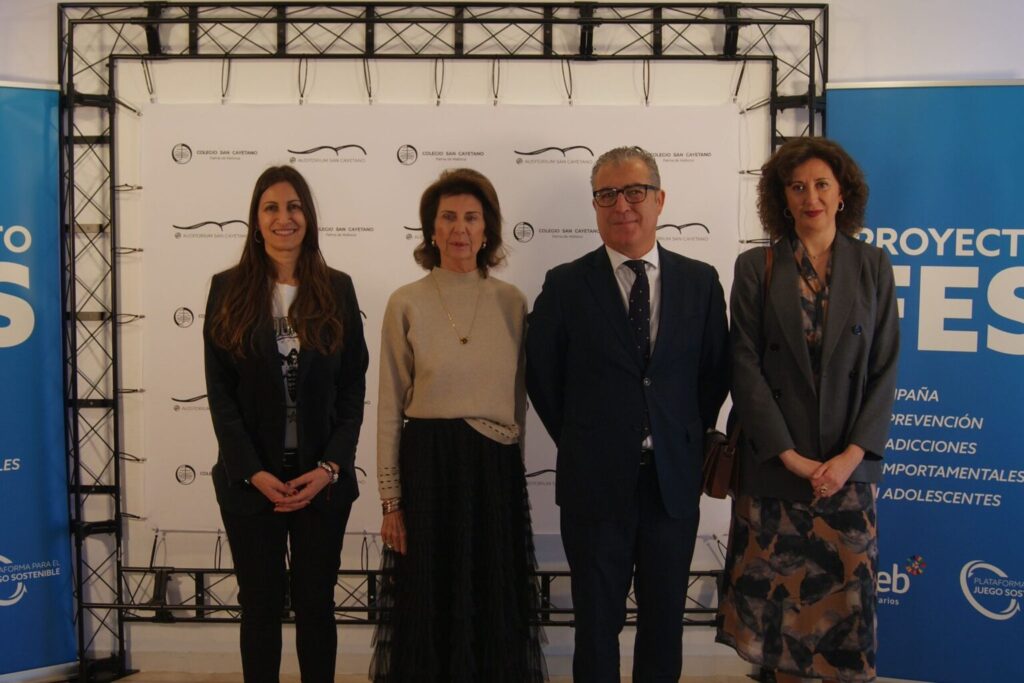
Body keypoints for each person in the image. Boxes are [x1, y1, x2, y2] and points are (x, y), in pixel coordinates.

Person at [526, 146, 730, 682]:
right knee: (596, 624)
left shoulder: (701, 282)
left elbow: (714, 374)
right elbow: (543, 377)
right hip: (594, 484)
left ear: (660, 200)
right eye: (607, 195)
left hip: (672, 485)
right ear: (595, 205)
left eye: (635, 192)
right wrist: (588, 437)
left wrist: (677, 434)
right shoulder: (565, 284)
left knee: (663, 623)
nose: (622, 205)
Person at [716, 137, 900, 683]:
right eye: (797, 187)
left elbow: (885, 366)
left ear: (843, 194)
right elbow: (744, 366)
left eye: (821, 185)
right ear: (782, 198)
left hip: (847, 473)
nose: (810, 197)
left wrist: (850, 457)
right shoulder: (757, 265)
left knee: (845, 620)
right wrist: (792, 457)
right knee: (779, 625)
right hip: (776, 470)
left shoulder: (872, 265)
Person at [369, 168, 546, 683]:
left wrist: (509, 474)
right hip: (428, 468)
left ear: (487, 229)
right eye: (448, 217)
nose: (459, 229)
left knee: (491, 599)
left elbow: (518, 403)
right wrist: (391, 501)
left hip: (493, 470)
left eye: (471, 217)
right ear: (432, 228)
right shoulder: (405, 301)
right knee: (429, 600)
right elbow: (388, 406)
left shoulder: (512, 301)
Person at [204, 165, 368, 683]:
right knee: (259, 608)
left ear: (308, 216)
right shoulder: (227, 290)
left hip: (321, 483)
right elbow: (220, 395)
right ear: (256, 220)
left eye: (294, 206)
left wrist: (330, 467)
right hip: (252, 485)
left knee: (317, 607)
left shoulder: (337, 289)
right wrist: (253, 471)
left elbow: (352, 389)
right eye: (271, 207)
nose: (284, 217)